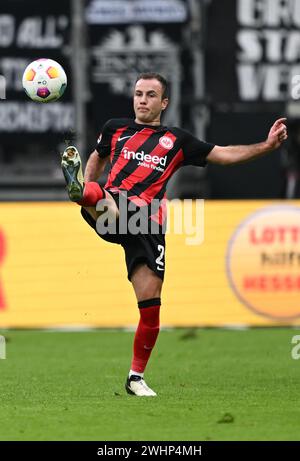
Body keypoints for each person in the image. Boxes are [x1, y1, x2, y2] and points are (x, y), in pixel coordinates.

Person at [61, 72, 288, 397]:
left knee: (151, 306)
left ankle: (135, 378)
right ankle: (82, 192)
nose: (142, 100)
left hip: (147, 228)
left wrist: (266, 146)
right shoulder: (116, 128)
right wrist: (87, 187)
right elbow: (98, 156)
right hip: (113, 207)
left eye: (151, 95)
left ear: (164, 102)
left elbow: (223, 154)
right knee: (109, 199)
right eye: (138, 93)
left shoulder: (177, 141)